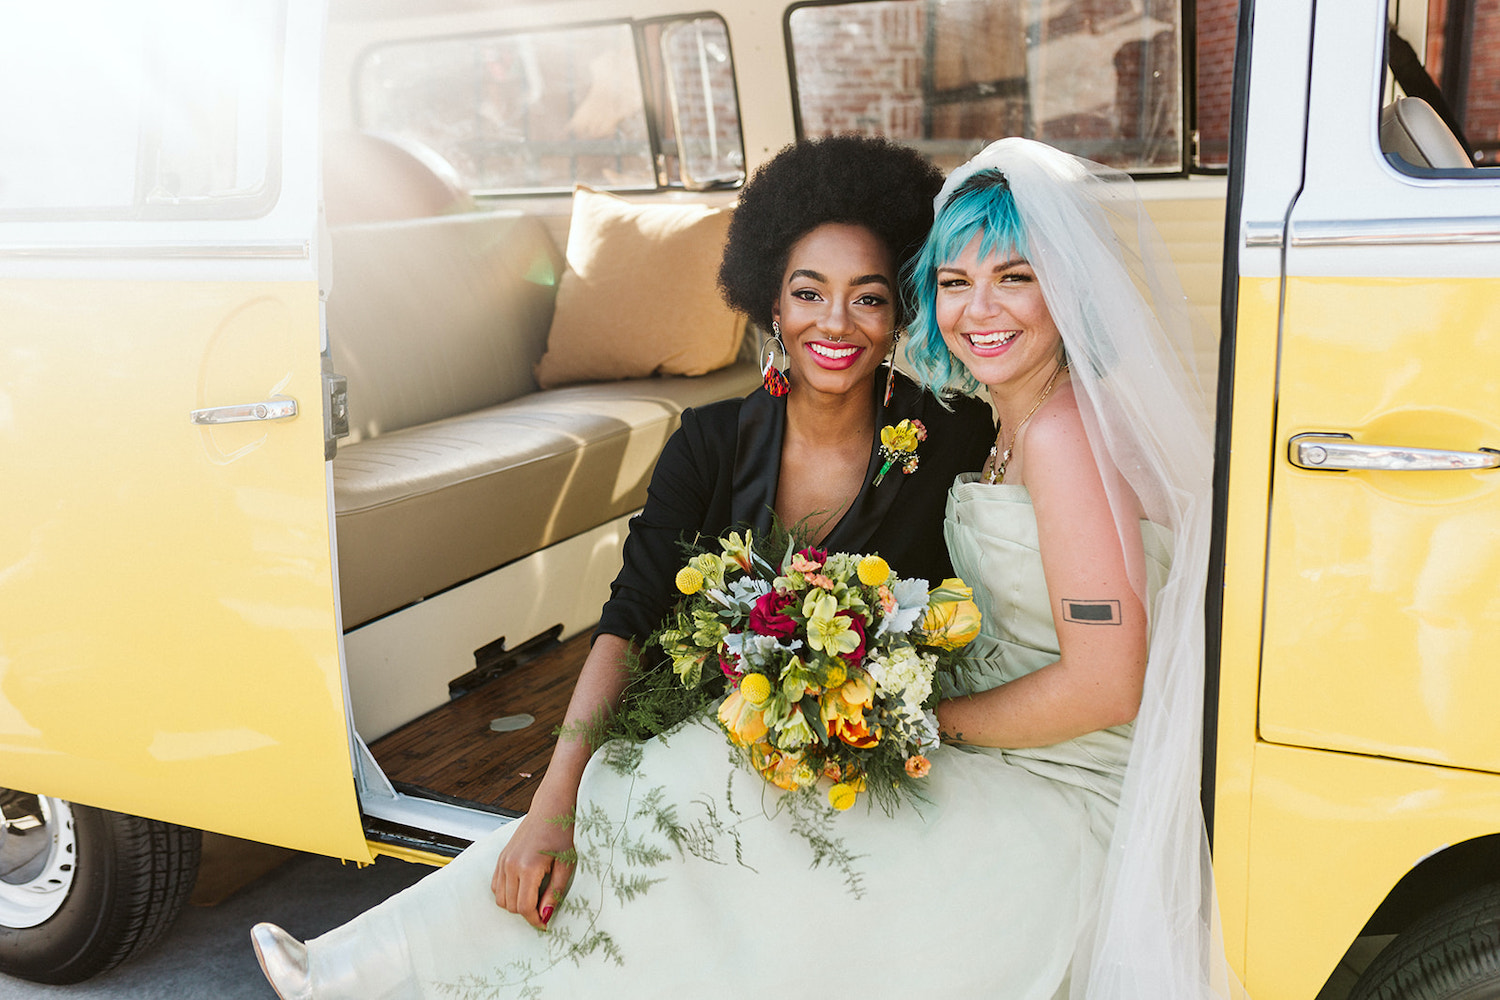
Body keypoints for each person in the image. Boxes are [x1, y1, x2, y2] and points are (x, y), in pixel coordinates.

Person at [250, 134, 994, 999]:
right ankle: (355, 971)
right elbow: (633, 615)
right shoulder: (709, 444)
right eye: (807, 293)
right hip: (730, 721)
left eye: (867, 298)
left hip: (871, 746)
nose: (835, 323)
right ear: (771, 304)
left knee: (651, 799)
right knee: (608, 789)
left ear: (900, 310)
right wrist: (551, 803)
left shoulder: (950, 439)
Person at [903, 137, 1233, 998]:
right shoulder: (1017, 419)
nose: (979, 309)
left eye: (1016, 276)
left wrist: (924, 724)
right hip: (1018, 750)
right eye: (954, 282)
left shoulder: (1064, 436)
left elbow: (1104, 687)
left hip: (1075, 781)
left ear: (1070, 292)